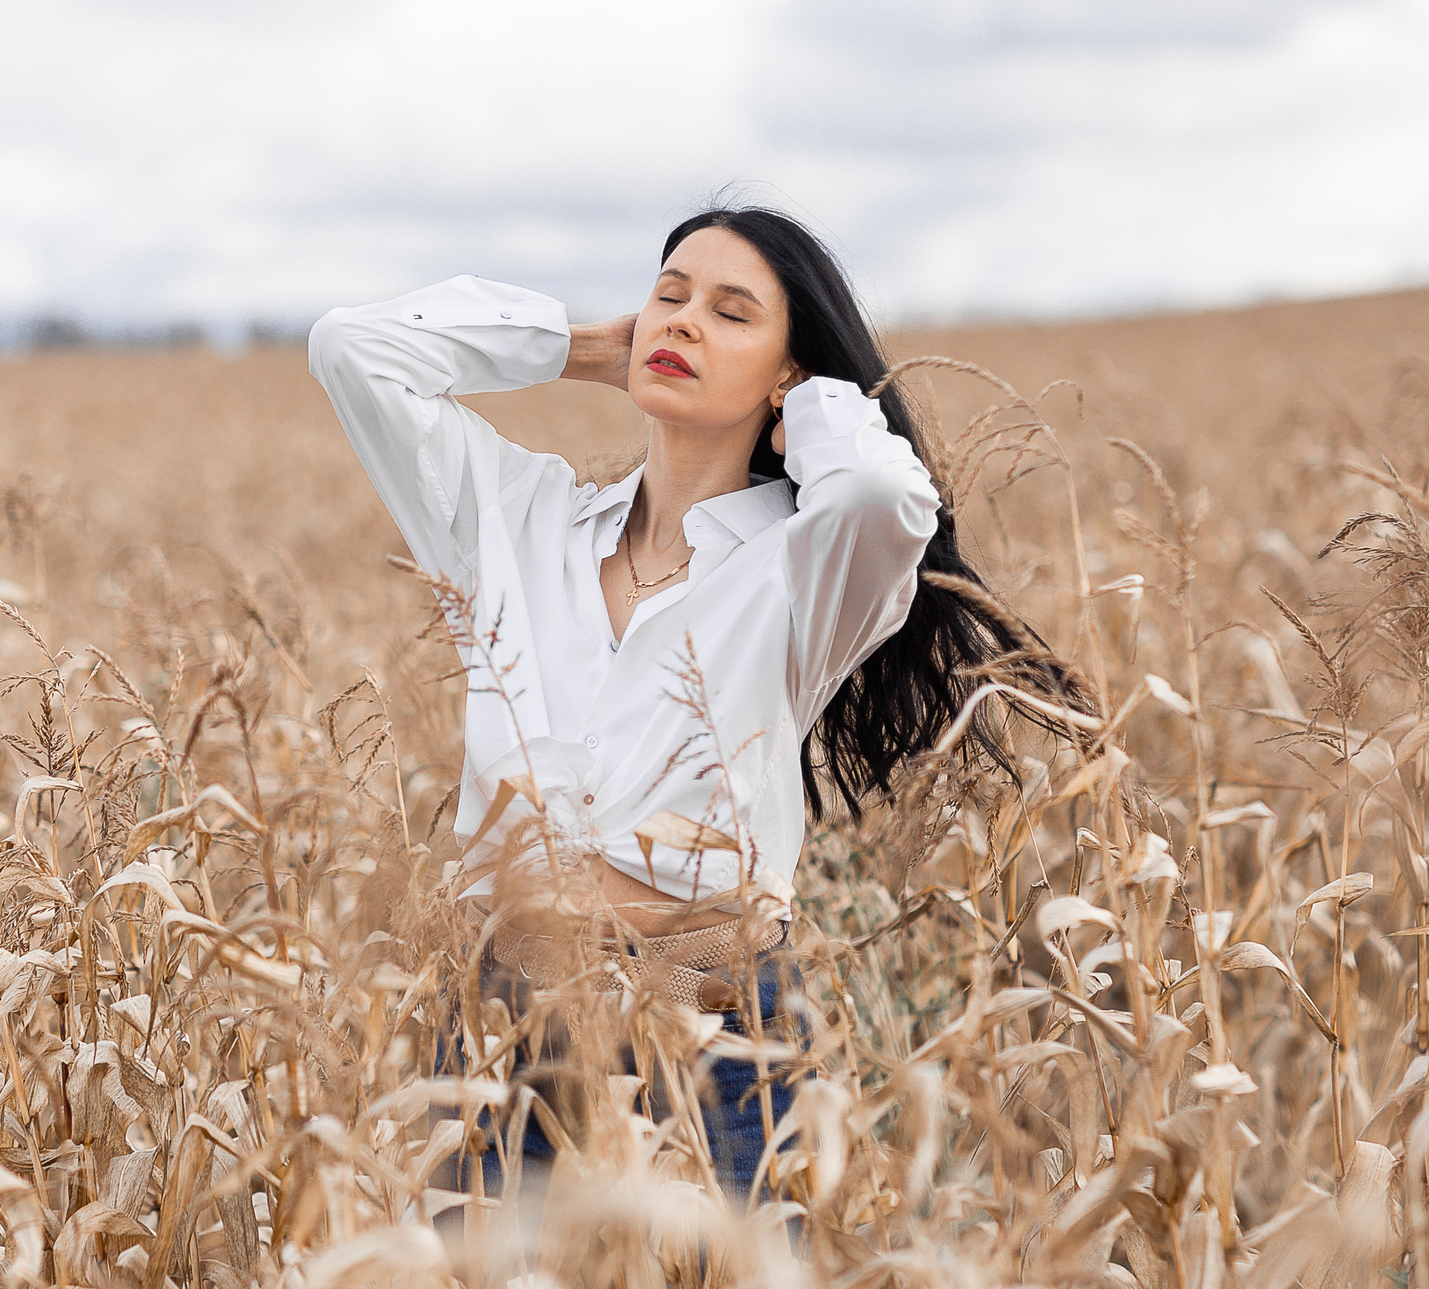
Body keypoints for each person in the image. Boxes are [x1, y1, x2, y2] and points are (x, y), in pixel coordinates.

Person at [309, 205, 1054, 1200]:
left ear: (790, 371)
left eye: (731, 312)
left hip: (709, 1014)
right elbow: (352, 350)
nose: (683, 322)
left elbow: (884, 494)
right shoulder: (518, 524)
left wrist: (817, 400)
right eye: (668, 296)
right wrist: (579, 349)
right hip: (501, 1016)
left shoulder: (804, 568)